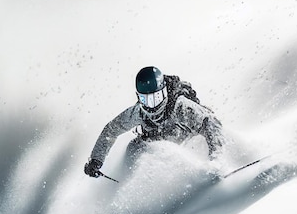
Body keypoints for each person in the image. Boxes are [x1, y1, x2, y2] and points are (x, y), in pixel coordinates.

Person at [84, 66, 224, 178]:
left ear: (164, 92)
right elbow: (111, 129)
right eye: (146, 100)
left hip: (187, 137)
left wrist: (216, 160)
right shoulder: (137, 112)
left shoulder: (180, 106)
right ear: (138, 97)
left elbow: (211, 122)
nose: (152, 106)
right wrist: (96, 160)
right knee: (134, 147)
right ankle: (128, 183)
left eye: (156, 98)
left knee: (199, 135)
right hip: (158, 139)